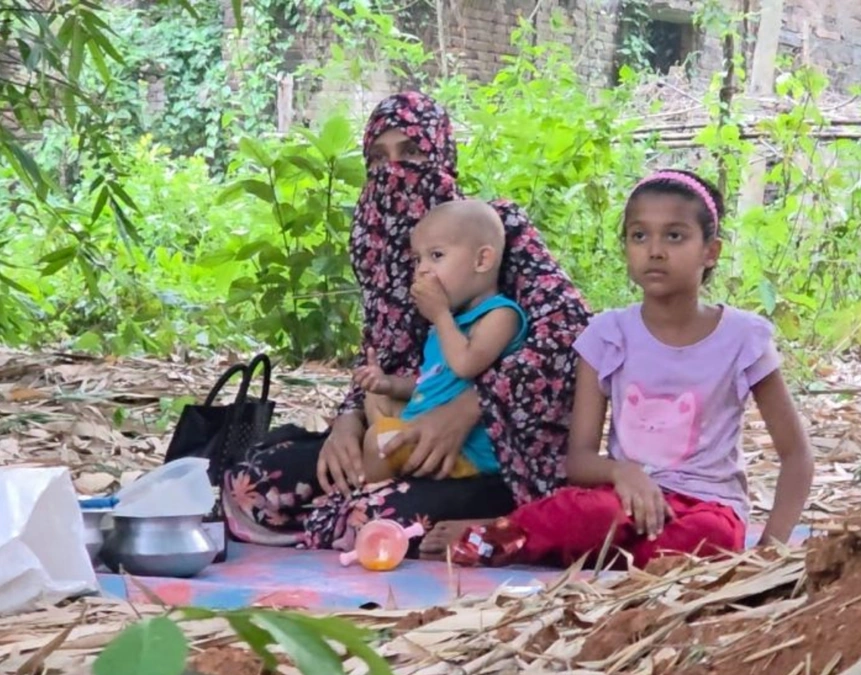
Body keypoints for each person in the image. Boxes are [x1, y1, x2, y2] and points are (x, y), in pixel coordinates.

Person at [221, 91, 590, 554]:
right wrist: (347, 425)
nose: (393, 170)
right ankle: (343, 510)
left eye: (412, 151)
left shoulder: (491, 228)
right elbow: (377, 356)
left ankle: (500, 518)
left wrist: (470, 408)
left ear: (441, 153)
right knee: (253, 483)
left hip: (492, 454)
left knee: (374, 517)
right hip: (400, 437)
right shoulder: (382, 249)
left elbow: (570, 330)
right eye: (378, 157)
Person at [445, 169, 816, 570]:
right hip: (621, 503)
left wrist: (770, 550)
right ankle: (500, 537)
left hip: (705, 507)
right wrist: (624, 472)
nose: (654, 250)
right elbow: (579, 462)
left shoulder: (743, 338)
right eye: (639, 236)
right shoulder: (608, 335)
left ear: (711, 251)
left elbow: (796, 454)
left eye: (675, 236)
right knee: (583, 513)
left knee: (712, 538)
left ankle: (579, 550)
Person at [357, 199, 528, 482]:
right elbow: (431, 383)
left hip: (469, 455)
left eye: (436, 255)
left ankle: (373, 500)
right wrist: (387, 383)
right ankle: (400, 471)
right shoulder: (447, 324)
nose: (422, 269)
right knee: (377, 398)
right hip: (427, 422)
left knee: (378, 438)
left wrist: (440, 316)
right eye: (417, 259)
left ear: (482, 260)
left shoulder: (501, 314)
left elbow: (465, 365)